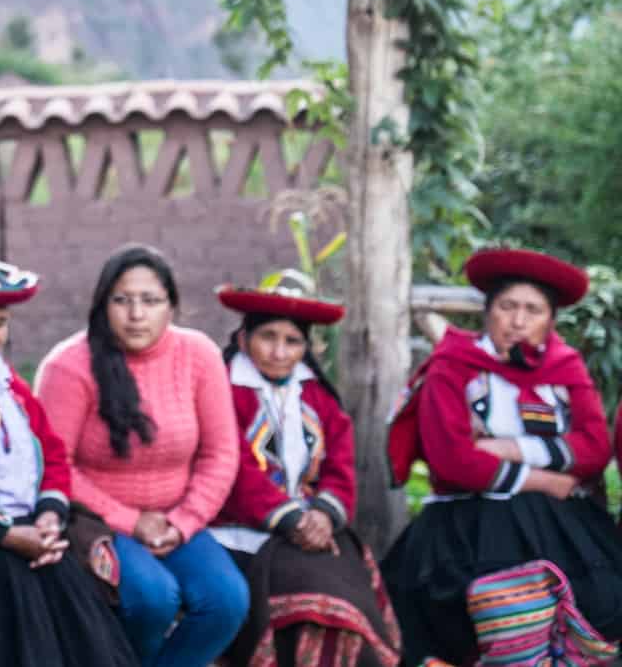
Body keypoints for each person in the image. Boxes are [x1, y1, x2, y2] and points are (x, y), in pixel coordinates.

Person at [383, 248, 622, 665]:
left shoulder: (566, 370)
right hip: (468, 524)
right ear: (488, 312)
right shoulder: (452, 367)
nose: (518, 321)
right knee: (468, 612)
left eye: (533, 310)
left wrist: (507, 447)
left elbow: (596, 449)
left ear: (550, 320)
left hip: (557, 522)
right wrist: (547, 476)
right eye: (507, 306)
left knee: (602, 597)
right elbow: (453, 462)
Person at [0, 255, 138, 667]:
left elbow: (50, 450)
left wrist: (50, 514)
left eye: (0, 323)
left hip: (32, 536)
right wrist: (7, 536)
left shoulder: (7, 383)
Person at [35, 243, 248, 667]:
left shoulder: (199, 356)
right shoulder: (70, 366)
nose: (136, 314)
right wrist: (131, 522)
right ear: (102, 305)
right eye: (122, 300)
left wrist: (183, 522)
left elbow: (221, 454)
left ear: (171, 307)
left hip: (176, 519)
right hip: (97, 519)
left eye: (150, 301)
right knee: (153, 598)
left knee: (227, 601)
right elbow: (57, 465)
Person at [209, 286, 400, 667]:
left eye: (292, 341)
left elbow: (340, 466)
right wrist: (291, 519)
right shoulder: (222, 390)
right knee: (310, 592)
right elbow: (231, 466)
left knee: (349, 596)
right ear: (244, 338)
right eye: (268, 337)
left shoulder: (316, 395)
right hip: (242, 531)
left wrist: (324, 516)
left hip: (315, 529)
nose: (280, 352)